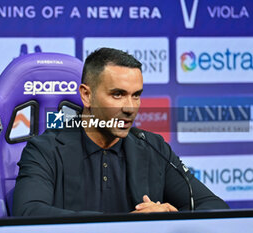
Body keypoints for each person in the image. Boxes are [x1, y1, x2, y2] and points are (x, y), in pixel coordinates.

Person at [12, 48, 229, 216]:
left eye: (136, 95)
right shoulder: (44, 150)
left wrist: (170, 215)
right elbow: (28, 212)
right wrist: (126, 224)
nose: (130, 107)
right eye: (118, 94)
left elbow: (214, 206)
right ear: (86, 96)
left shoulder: (154, 148)